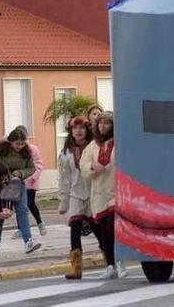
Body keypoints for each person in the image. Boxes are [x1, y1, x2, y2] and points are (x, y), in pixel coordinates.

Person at [80, 111, 127, 279]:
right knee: (104, 232)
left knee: (112, 227)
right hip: (99, 193)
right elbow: (83, 166)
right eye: (100, 123)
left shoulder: (120, 143)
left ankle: (120, 261)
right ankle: (110, 265)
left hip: (117, 192)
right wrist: (93, 167)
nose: (103, 126)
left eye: (107, 123)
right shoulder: (92, 146)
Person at [0, 126, 42, 254]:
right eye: (17, 143)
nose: (20, 146)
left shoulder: (26, 152)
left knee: (22, 211)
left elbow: (31, 168)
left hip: (19, 184)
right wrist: (3, 174)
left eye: (22, 143)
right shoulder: (0, 150)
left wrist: (20, 173)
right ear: (10, 141)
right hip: (2, 185)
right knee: (1, 213)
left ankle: (28, 241)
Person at [58, 116, 94, 279]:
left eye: (82, 128)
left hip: (94, 192)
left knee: (99, 229)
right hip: (75, 193)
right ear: (71, 132)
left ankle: (110, 261)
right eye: (75, 128)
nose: (78, 131)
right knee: (75, 228)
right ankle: (76, 268)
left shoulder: (94, 147)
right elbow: (64, 178)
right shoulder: (66, 153)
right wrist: (63, 201)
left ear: (87, 130)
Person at [12, 140, 45, 239]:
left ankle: (40, 223)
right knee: (19, 206)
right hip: (18, 182)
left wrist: (32, 177)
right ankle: (21, 229)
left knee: (30, 204)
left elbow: (39, 165)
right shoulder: (14, 150)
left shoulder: (33, 149)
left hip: (30, 182)